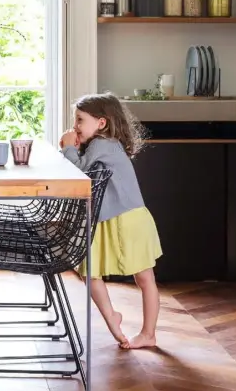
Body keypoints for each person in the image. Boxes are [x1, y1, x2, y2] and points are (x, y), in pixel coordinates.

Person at [59, 92, 162, 349]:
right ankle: (114, 318)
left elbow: (78, 172)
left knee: (142, 278)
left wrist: (68, 147)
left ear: (101, 123)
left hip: (127, 219)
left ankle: (148, 333)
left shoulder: (102, 145)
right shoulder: (100, 145)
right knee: (92, 272)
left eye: (80, 120)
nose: (75, 126)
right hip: (108, 220)